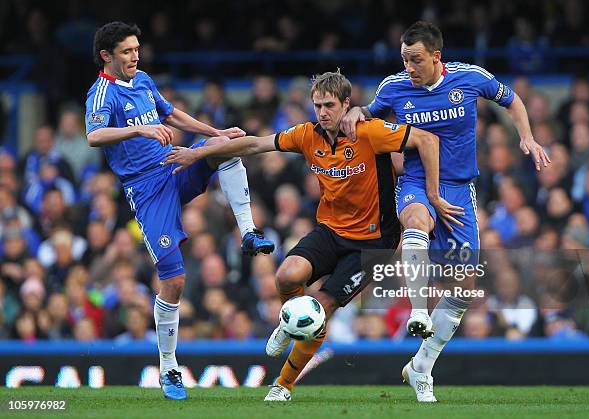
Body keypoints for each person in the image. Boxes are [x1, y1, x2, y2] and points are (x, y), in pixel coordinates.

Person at [164, 70, 447, 401]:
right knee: (286, 275)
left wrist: (434, 195)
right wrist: (198, 153)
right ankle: (288, 324)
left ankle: (283, 384)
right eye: (317, 105)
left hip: (373, 244)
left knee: (318, 309)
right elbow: (256, 144)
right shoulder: (306, 135)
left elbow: (428, 140)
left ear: (346, 104)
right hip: (331, 229)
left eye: (329, 105)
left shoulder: (369, 133)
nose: (323, 112)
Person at [341, 21, 550, 402]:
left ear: (436, 57)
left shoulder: (470, 78)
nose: (409, 67)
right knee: (416, 223)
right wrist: (356, 112)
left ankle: (422, 365)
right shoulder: (393, 88)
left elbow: (512, 100)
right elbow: (365, 112)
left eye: (416, 60)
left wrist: (526, 136)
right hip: (416, 183)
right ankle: (418, 312)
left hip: (459, 189)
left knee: (465, 286)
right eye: (405, 59)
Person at [85, 21, 274, 401]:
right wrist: (138, 131)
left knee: (224, 148)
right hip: (147, 189)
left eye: (137, 48)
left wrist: (217, 132)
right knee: (174, 280)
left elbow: (172, 116)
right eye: (126, 51)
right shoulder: (101, 93)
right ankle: (168, 365)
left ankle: (248, 232)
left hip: (173, 165)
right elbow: (94, 135)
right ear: (107, 56)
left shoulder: (143, 80)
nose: (135, 56)